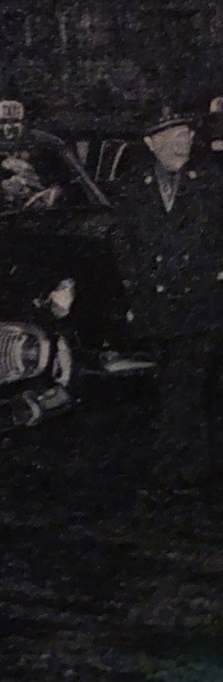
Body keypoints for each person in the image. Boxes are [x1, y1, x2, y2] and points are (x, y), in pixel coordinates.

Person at [108, 106, 223, 492]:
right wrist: (136, 287)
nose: (182, 143)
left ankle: (172, 468)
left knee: (185, 380)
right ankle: (192, 464)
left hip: (201, 299)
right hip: (156, 302)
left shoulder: (210, 182)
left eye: (186, 134)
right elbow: (122, 241)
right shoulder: (132, 186)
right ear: (151, 144)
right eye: (172, 137)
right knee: (175, 381)